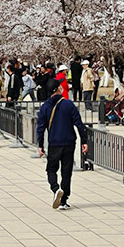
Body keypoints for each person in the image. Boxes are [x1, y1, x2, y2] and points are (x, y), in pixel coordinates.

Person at [36, 79, 89, 210]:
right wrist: (84, 141)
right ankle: (63, 200)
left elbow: (40, 127)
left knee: (51, 169)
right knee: (66, 171)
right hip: (69, 142)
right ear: (59, 89)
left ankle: (55, 189)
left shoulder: (45, 107)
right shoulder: (68, 104)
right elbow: (79, 124)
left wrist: (40, 144)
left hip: (54, 142)